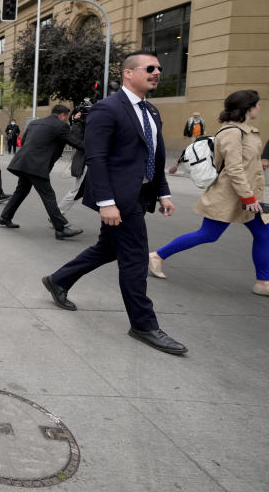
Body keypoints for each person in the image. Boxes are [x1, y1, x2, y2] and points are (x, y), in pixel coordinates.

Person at [40, 51, 186, 355]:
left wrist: (163, 191)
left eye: (159, 68)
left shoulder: (152, 111)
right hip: (119, 199)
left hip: (138, 194)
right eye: (150, 68)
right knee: (134, 258)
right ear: (128, 73)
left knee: (108, 248)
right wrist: (107, 202)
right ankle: (144, 324)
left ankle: (58, 280)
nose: (157, 72)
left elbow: (154, 157)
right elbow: (97, 158)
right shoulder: (107, 109)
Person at [148, 91, 267, 296]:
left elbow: (246, 164)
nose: (259, 108)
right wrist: (248, 197)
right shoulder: (232, 132)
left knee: (264, 234)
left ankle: (263, 282)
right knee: (208, 235)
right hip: (230, 196)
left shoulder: (246, 131)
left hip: (248, 196)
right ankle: (157, 256)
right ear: (249, 108)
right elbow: (234, 168)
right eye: (257, 104)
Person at [0, 105, 85, 239]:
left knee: (22, 190)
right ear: (62, 115)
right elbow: (76, 143)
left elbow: (24, 141)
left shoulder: (35, 123)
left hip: (22, 162)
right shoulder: (61, 125)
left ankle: (4, 217)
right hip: (36, 166)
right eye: (66, 117)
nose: (66, 120)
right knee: (48, 195)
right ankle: (60, 228)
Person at [56, 103, 91, 216]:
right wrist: (76, 122)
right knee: (76, 191)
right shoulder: (79, 124)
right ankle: (57, 215)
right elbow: (76, 140)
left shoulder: (90, 123)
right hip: (86, 162)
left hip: (96, 163)